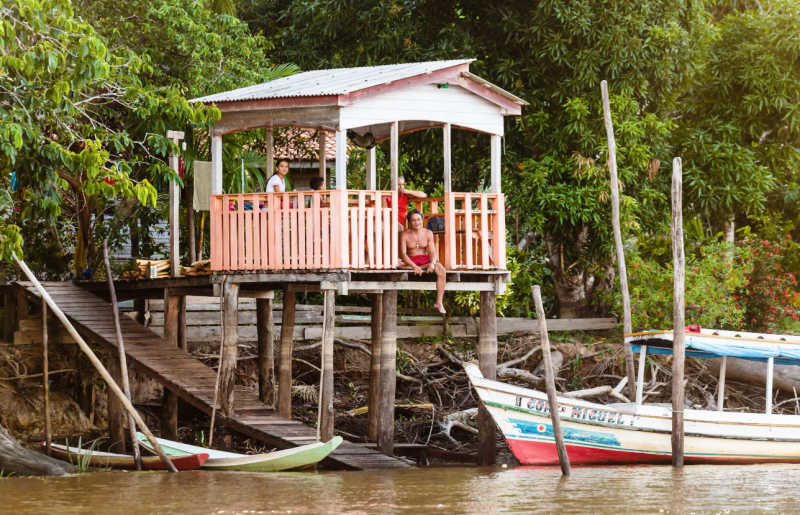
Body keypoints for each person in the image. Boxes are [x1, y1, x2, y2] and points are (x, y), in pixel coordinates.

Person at [399, 209, 447, 314]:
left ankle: (439, 302)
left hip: (424, 260)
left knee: (441, 270)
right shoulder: (404, 234)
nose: (417, 222)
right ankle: (414, 267)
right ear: (409, 222)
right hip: (410, 261)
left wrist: (432, 263)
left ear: (422, 220)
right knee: (398, 263)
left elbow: (432, 252)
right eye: (413, 220)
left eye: (418, 219)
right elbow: (403, 254)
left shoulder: (428, 233)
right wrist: (414, 266)